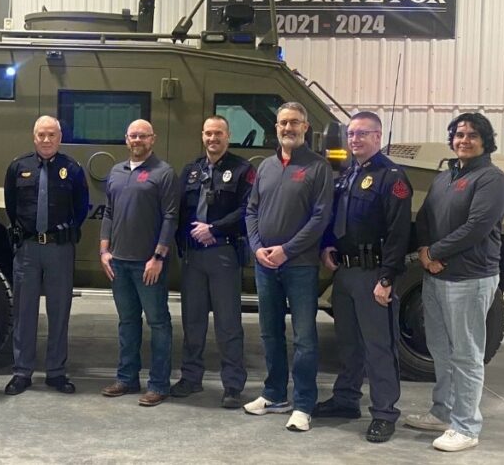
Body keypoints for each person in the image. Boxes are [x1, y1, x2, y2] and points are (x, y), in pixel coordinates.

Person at [406, 112, 504, 452]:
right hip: (436, 276)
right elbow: (425, 216)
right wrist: (424, 250)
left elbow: (477, 226)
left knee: (466, 355)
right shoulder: (445, 176)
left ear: (485, 141)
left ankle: (466, 427)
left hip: (469, 277)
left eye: (472, 135)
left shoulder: (491, 179)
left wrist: (434, 251)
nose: (464, 140)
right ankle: (443, 412)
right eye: (459, 134)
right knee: (440, 349)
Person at [313, 112, 412, 443]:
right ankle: (345, 399)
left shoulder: (391, 177)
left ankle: (384, 413)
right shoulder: (347, 174)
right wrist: (327, 245)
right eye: (351, 134)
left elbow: (399, 233)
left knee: (379, 346)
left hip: (373, 273)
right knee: (349, 343)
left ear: (378, 136)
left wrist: (387, 279)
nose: (354, 139)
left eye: (362, 134)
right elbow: (334, 217)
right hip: (345, 272)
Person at [243, 102, 333, 432]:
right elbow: (251, 211)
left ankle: (304, 404)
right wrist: (257, 248)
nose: (288, 128)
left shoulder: (318, 167)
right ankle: (274, 395)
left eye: (295, 122)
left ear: (306, 127)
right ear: (276, 127)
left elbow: (321, 217)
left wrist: (286, 250)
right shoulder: (265, 166)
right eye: (283, 122)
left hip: (300, 266)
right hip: (265, 265)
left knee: (305, 336)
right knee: (269, 332)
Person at [3, 116, 89, 395]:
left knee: (59, 311)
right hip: (28, 248)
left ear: (59, 137)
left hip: (59, 249)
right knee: (24, 312)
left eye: (51, 135)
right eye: (41, 134)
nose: (46, 140)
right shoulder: (19, 167)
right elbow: (12, 207)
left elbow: (81, 207)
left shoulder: (72, 169)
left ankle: (56, 372)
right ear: (34, 136)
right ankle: (22, 371)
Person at [171, 115, 253, 408]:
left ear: (228, 137)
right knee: (192, 322)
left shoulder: (243, 170)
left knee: (228, 324)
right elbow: (179, 210)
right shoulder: (192, 170)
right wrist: (183, 241)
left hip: (223, 253)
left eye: (218, 133)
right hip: (194, 256)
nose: (212, 138)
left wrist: (214, 229)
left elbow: (248, 211)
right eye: (208, 133)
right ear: (202, 136)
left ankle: (232, 385)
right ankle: (191, 378)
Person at [99, 119, 178, 407]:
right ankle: (127, 378)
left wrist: (158, 257)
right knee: (127, 322)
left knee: (158, 323)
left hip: (148, 265)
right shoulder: (116, 172)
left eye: (143, 136)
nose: (137, 140)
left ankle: (159, 385)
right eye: (133, 135)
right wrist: (104, 250)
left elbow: (171, 216)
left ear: (152, 139)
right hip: (118, 263)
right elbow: (108, 211)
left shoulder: (164, 173)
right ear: (126, 139)